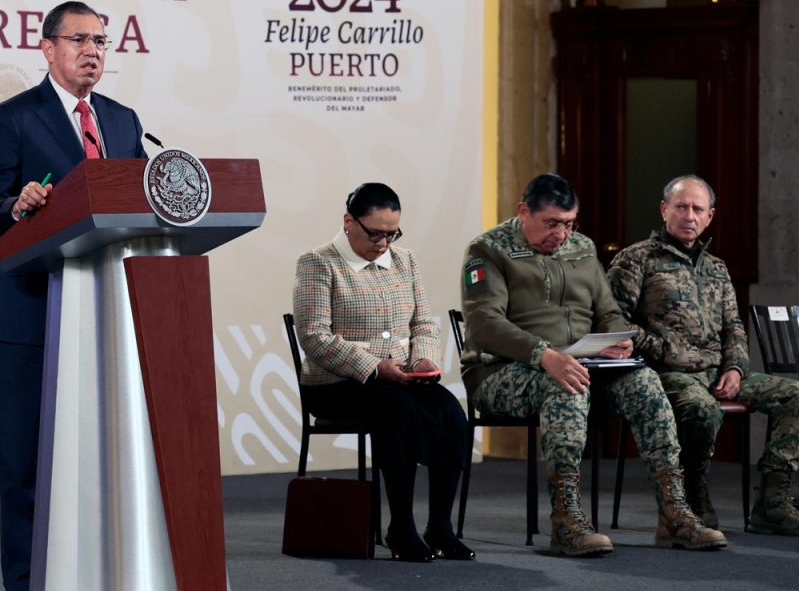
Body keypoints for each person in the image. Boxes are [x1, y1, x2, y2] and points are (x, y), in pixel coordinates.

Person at [0, 1, 146, 591]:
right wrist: (18, 203)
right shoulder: (14, 118)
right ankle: (26, 588)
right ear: (47, 48)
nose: (92, 50)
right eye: (79, 39)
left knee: (103, 453)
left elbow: (141, 206)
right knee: (26, 456)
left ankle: (100, 577)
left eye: (101, 40)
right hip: (31, 308)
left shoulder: (124, 123)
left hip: (105, 308)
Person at [459, 173, 725, 555]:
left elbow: (609, 313)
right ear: (523, 212)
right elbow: (484, 323)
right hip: (501, 370)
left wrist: (617, 341)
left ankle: (675, 513)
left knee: (645, 383)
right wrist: (546, 355)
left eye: (569, 224)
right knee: (565, 382)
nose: (562, 234)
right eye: (551, 223)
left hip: (583, 364)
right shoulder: (489, 249)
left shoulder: (582, 249)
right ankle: (566, 519)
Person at [608, 175, 799, 536]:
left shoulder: (717, 269)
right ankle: (693, 495)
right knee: (701, 409)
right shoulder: (637, 260)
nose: (688, 215)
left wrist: (736, 368)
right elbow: (615, 322)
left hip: (717, 373)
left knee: (797, 395)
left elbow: (734, 328)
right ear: (664, 210)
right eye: (680, 207)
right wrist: (665, 350)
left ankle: (772, 503)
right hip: (668, 375)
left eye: (697, 209)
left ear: (710, 216)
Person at [292, 183, 472, 562]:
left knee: (451, 413)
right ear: (348, 222)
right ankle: (400, 529)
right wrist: (374, 367)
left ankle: (440, 528)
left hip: (401, 378)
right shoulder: (318, 262)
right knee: (397, 412)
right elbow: (313, 337)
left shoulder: (405, 261)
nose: (383, 242)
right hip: (335, 383)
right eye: (375, 233)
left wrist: (423, 358)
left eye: (392, 233)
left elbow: (424, 323)